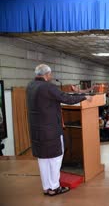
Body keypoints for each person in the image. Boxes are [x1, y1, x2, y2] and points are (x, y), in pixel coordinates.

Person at [26, 64, 92, 196]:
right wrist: (85, 97)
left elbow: (53, 98)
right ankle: (54, 187)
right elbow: (67, 99)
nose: (51, 76)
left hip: (36, 130)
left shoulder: (30, 86)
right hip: (50, 129)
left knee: (43, 159)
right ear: (47, 74)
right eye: (50, 74)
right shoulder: (48, 86)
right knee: (55, 157)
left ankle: (46, 187)